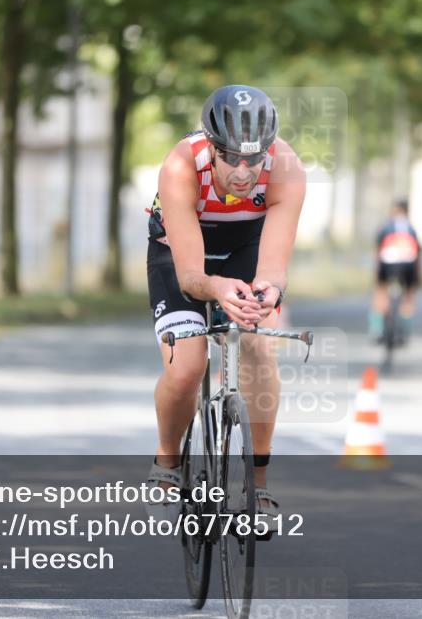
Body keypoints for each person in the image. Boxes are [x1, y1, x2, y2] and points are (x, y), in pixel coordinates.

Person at [144, 85, 305, 521]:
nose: (243, 170)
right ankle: (167, 459)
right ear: (212, 147)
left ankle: (259, 482)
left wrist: (268, 293)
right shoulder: (182, 163)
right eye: (231, 156)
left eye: (253, 158)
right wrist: (216, 290)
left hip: (244, 246)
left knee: (256, 344)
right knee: (188, 365)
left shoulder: (286, 167)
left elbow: (272, 269)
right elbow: (192, 276)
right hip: (180, 250)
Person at [369, 199, 422, 343]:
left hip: (388, 262)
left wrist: (377, 272)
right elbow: (418, 253)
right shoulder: (411, 228)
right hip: (408, 263)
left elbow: (378, 250)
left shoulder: (386, 226)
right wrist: (418, 276)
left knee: (381, 292)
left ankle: (377, 329)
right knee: (409, 294)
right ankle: (405, 329)